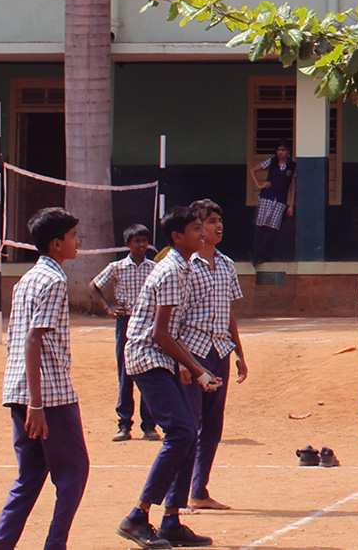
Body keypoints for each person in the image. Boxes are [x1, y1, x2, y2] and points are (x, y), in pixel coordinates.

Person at [118, 206, 219, 549]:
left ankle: (172, 520)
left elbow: (174, 330)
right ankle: (137, 515)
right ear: (178, 237)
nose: (202, 233)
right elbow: (160, 333)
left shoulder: (186, 267)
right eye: (195, 229)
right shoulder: (173, 271)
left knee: (188, 432)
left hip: (165, 356)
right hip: (147, 355)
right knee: (181, 431)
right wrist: (198, 368)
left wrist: (192, 367)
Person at [0, 208, 89, 550]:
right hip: (48, 396)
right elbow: (33, 339)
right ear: (56, 243)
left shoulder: (27, 280)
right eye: (74, 237)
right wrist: (37, 404)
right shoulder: (54, 280)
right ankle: (55, 545)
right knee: (74, 473)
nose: (78, 243)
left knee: (29, 477)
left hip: (18, 388)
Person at [182, 200, 247, 512]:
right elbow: (174, 318)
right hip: (193, 353)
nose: (217, 226)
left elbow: (229, 312)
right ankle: (176, 493)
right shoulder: (184, 265)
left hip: (219, 350)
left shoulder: (226, 264)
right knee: (188, 424)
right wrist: (183, 363)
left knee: (212, 425)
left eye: (219, 220)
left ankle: (199, 489)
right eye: (210, 221)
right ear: (196, 228)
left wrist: (239, 353)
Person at [91, 223, 158, 443]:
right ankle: (124, 424)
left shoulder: (154, 268)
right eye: (137, 241)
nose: (141, 245)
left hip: (148, 324)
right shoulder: (117, 267)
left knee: (148, 370)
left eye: (144, 241)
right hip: (126, 322)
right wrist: (108, 308)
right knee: (125, 373)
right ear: (127, 244)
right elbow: (94, 285)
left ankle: (149, 426)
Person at [247, 141, 295, 267]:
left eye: (283, 150)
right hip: (266, 197)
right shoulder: (271, 161)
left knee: (272, 228)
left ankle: (265, 254)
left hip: (280, 200)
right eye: (278, 150)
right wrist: (259, 185)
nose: (280, 152)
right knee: (260, 225)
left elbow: (293, 186)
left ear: (288, 151)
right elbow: (253, 170)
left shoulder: (292, 166)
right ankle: (256, 254)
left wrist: (291, 205)